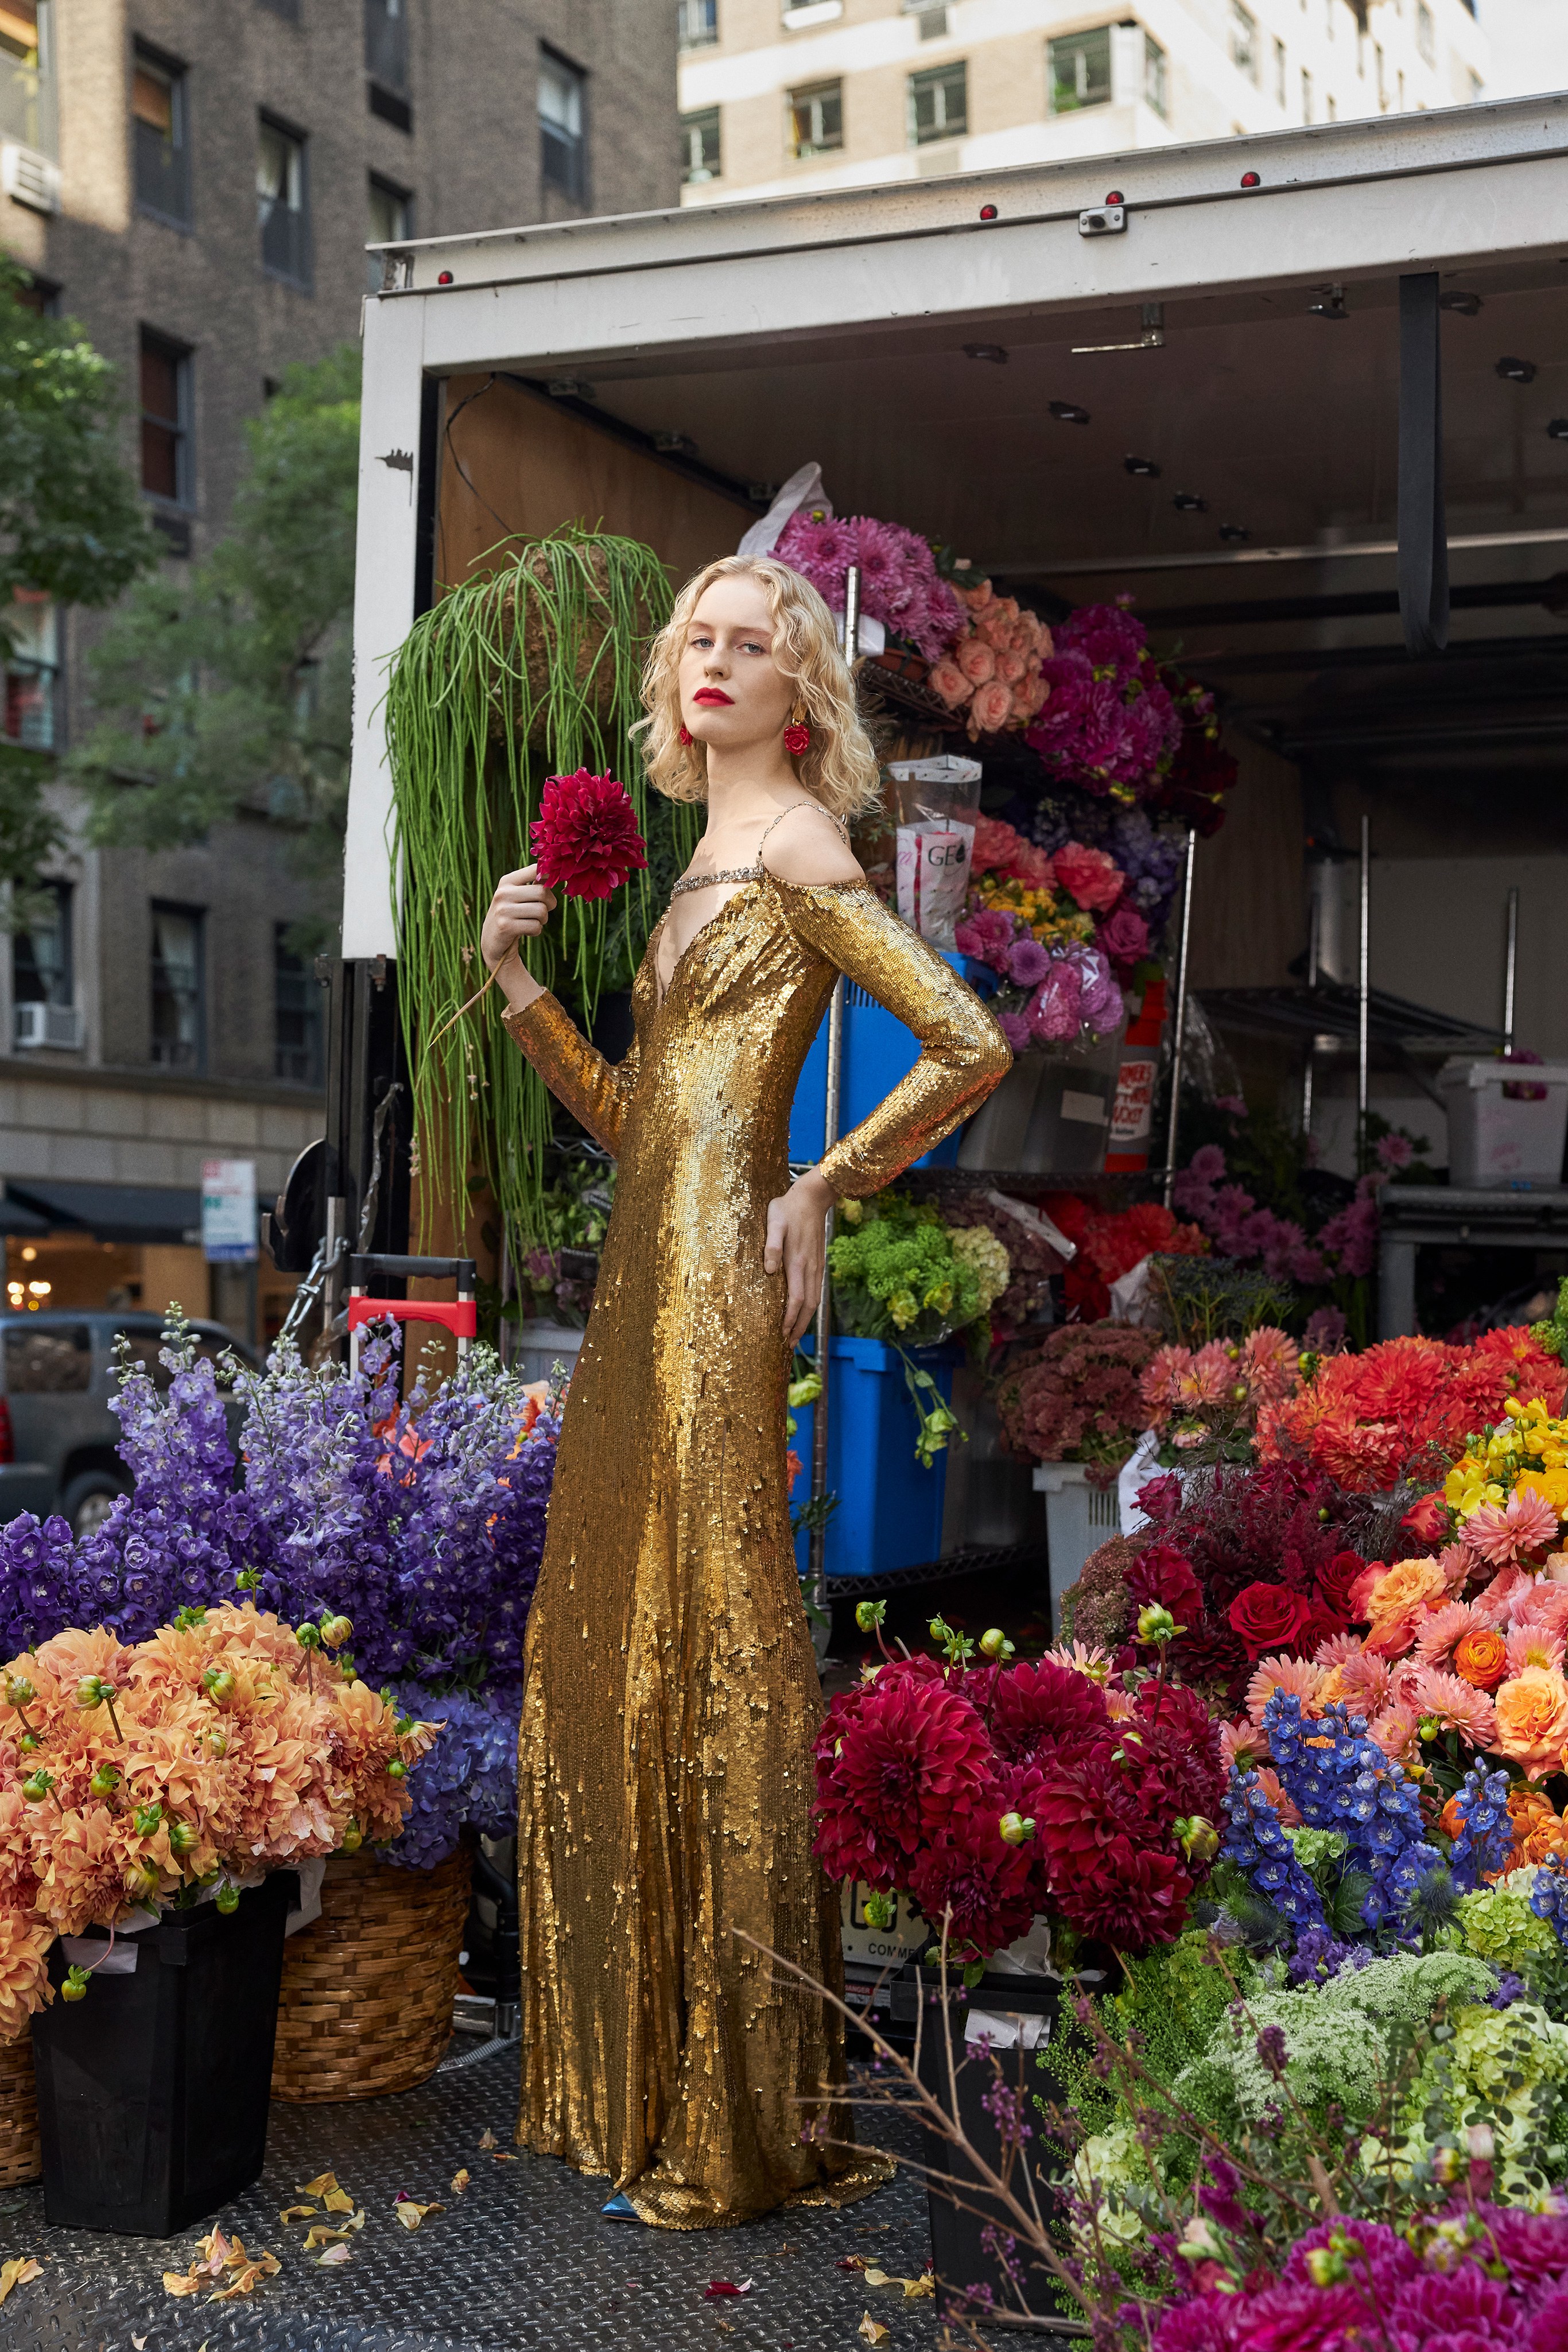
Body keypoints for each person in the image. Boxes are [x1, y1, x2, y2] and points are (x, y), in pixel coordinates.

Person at [479, 553, 1010, 2229]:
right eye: (697, 639)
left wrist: (821, 1181)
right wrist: (524, 995)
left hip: (719, 1299)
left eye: (753, 642)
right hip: (642, 1288)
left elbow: (967, 1039)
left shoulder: (791, 846)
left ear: (803, 691)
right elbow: (647, 1129)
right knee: (601, 1646)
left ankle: (734, 2113)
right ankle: (626, 2082)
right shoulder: (702, 853)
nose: (717, 661)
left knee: (713, 1645)